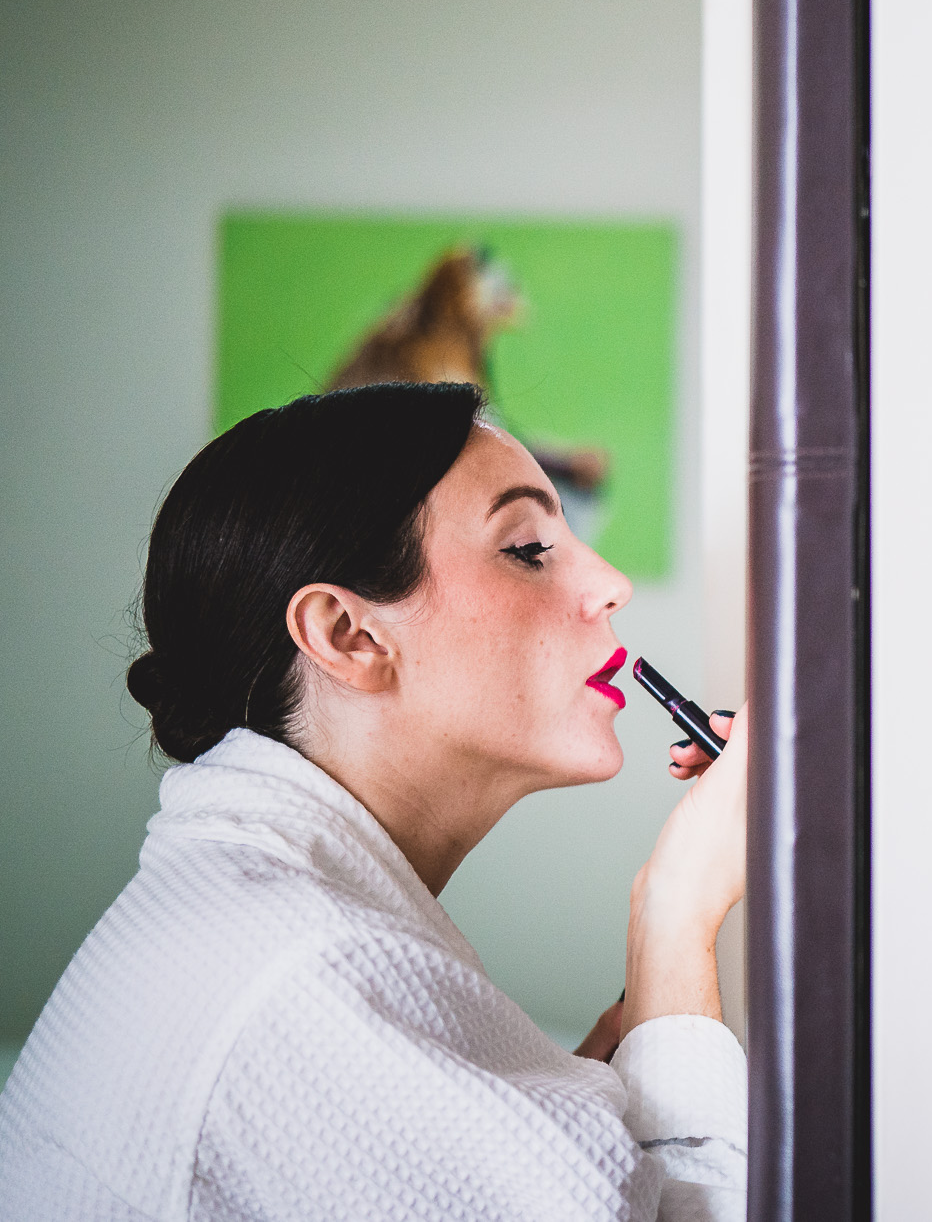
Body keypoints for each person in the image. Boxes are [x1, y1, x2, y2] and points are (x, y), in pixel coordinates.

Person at [0, 382, 746, 1221]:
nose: (611, 584)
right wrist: (676, 912)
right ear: (349, 635)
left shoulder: (262, 920)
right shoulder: (307, 976)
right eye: (529, 546)